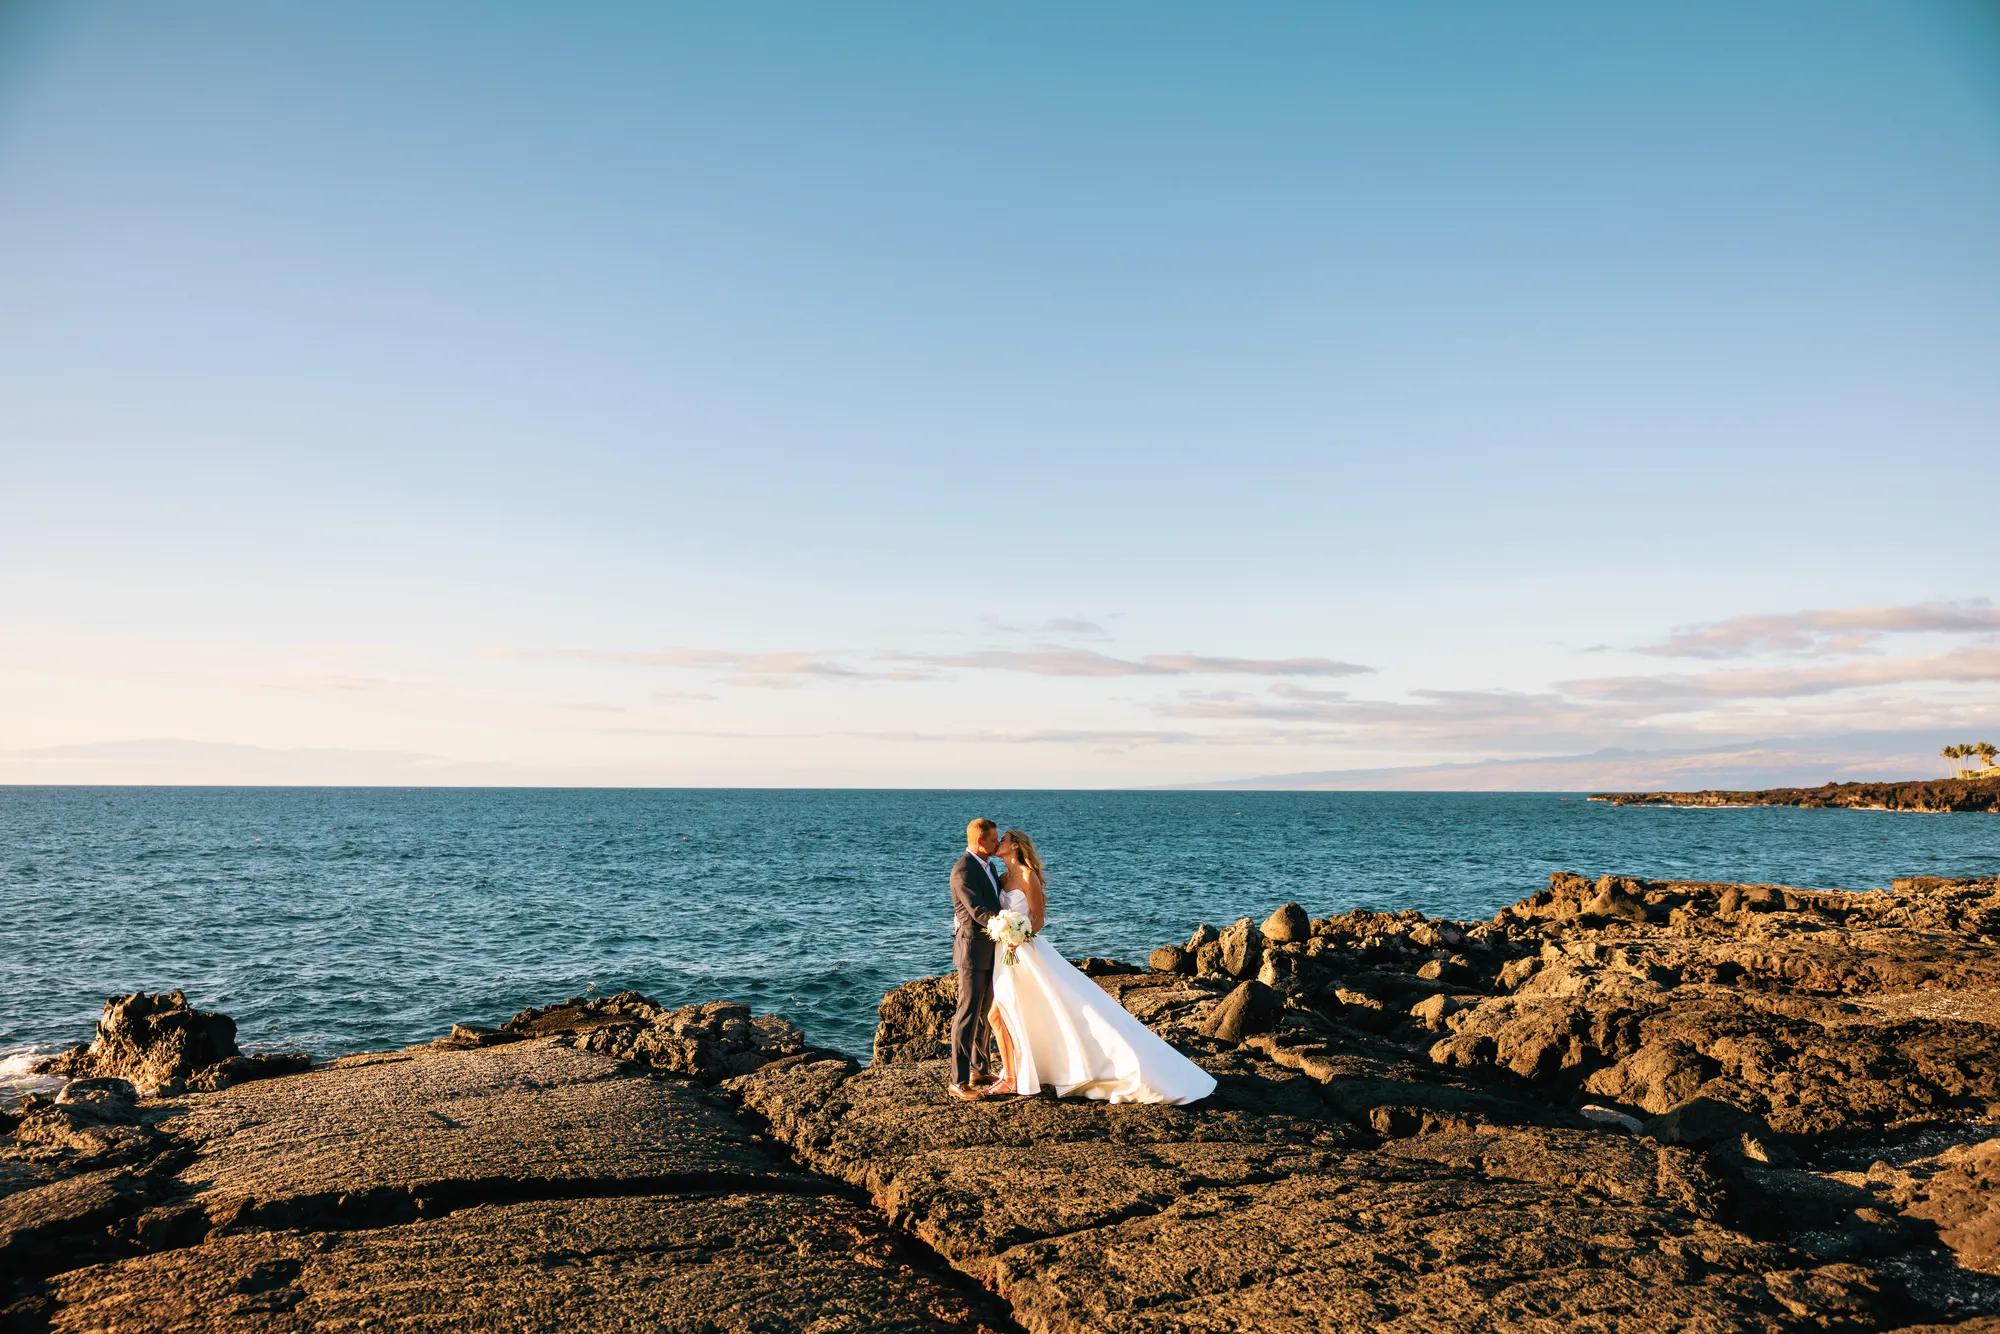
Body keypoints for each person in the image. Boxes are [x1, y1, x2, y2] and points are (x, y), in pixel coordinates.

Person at [984, 827, 1214, 1105]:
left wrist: (1020, 936)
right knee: (1017, 1013)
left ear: (1016, 846)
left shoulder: (1027, 876)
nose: (998, 843)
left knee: (1025, 1011)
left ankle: (1020, 1076)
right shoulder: (1002, 877)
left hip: (1025, 953)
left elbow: (1038, 917)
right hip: (1005, 955)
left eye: (1003, 839)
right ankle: (1020, 1072)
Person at [946, 817, 1005, 1100]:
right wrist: (1008, 927)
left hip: (990, 948)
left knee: (985, 1012)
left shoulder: (989, 866)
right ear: (981, 841)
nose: (998, 842)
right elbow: (978, 911)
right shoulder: (963, 870)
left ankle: (979, 1069)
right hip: (972, 951)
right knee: (967, 1014)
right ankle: (957, 1081)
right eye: (994, 839)